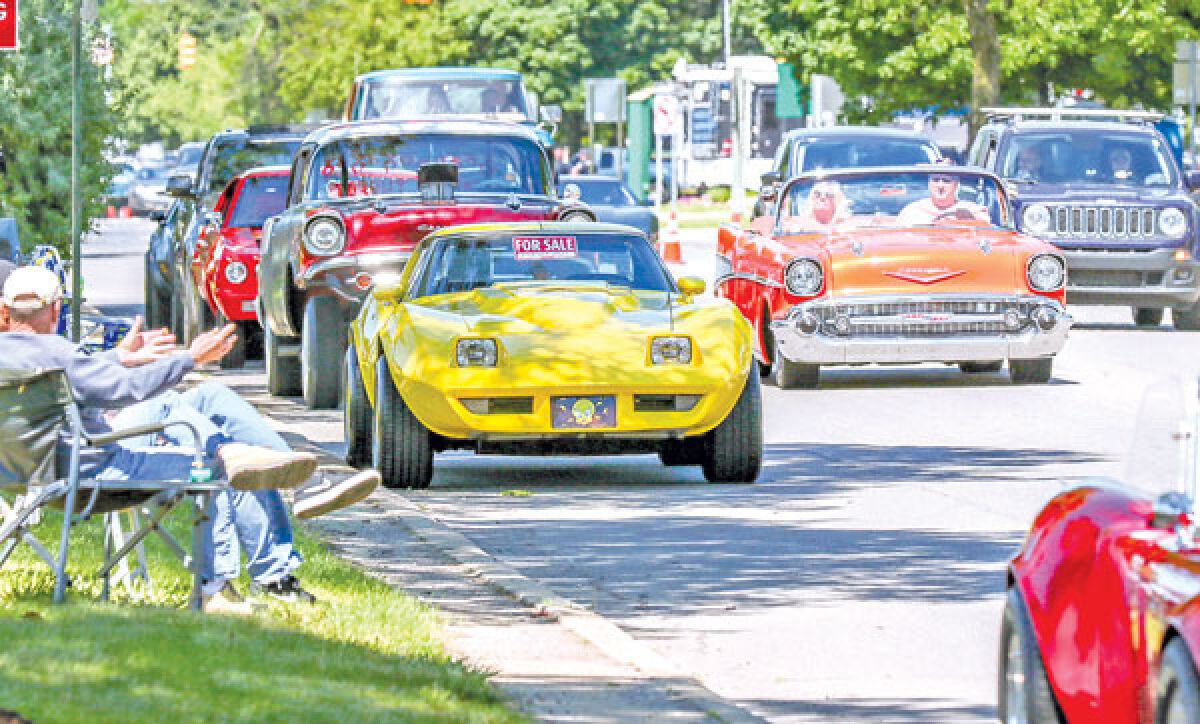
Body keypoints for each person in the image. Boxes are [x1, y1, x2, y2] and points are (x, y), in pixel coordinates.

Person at [0, 266, 375, 613]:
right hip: (97, 473)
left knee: (207, 399)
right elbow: (126, 390)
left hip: (34, 476)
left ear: (5, 313)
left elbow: (84, 381)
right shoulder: (60, 354)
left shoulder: (26, 358)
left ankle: (292, 491)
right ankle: (220, 587)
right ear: (54, 309)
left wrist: (120, 357)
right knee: (213, 461)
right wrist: (189, 359)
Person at [895, 172, 990, 225]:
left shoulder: (974, 210)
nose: (940, 185)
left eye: (946, 181)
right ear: (929, 184)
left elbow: (988, 237)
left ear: (956, 185)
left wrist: (970, 220)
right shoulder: (912, 211)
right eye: (935, 180)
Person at [782, 180, 851, 231]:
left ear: (838, 201)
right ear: (811, 199)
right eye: (817, 194)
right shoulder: (798, 222)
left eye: (829, 194)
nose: (822, 197)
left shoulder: (848, 224)